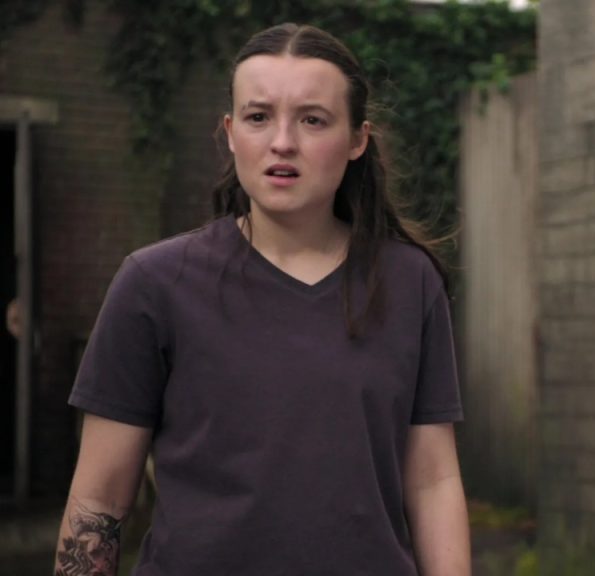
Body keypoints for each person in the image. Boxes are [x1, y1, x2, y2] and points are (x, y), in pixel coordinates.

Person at [53, 23, 470, 576]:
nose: (282, 142)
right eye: (258, 117)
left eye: (312, 119)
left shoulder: (409, 282)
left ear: (356, 139)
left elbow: (433, 481)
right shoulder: (154, 284)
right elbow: (99, 501)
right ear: (230, 132)